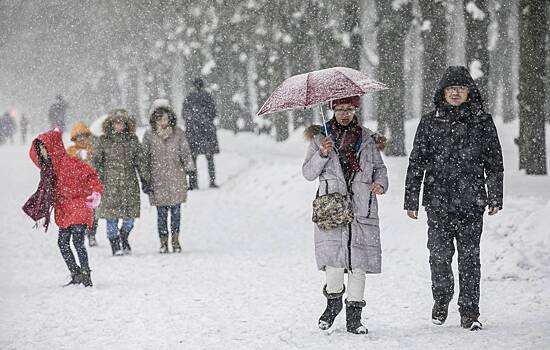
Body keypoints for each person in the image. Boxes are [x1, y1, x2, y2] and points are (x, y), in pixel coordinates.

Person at [404, 66, 504, 331]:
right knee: (439, 256)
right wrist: (411, 200)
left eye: (460, 88)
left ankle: (470, 311)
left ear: (469, 91)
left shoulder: (482, 122)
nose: (456, 93)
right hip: (438, 202)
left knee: (470, 259)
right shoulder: (430, 121)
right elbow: (417, 162)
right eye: (451, 88)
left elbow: (494, 162)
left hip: (472, 202)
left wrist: (495, 196)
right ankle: (441, 298)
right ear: (443, 93)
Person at [302, 95, 388, 334]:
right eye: (339, 109)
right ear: (332, 109)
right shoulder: (321, 137)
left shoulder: (368, 139)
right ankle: (332, 304)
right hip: (332, 208)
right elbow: (308, 173)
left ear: (355, 109)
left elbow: (380, 169)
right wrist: (321, 153)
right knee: (334, 263)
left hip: (362, 207)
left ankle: (354, 317)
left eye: (349, 108)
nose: (344, 113)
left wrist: (380, 183)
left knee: (359, 264)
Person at [22, 129, 103, 287]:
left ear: (53, 148)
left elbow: (91, 175)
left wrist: (96, 192)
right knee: (63, 243)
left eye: (45, 149)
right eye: (40, 150)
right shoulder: (49, 170)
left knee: (77, 242)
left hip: (78, 206)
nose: (43, 153)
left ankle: (86, 274)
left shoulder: (69, 163)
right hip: (65, 210)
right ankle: (76, 273)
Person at [92, 109, 148, 256]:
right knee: (111, 218)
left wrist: (145, 178)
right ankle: (115, 244)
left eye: (121, 122)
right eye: (116, 122)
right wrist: (93, 180)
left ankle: (124, 237)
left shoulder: (132, 140)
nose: (119, 125)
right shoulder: (103, 141)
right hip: (109, 184)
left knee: (130, 219)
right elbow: (96, 161)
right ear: (111, 123)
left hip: (129, 183)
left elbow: (140, 161)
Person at [143, 99, 195, 253]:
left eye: (165, 118)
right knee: (161, 214)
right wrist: (145, 179)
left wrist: (191, 171)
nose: (163, 122)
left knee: (176, 212)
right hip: (157, 180)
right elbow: (144, 158)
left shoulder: (178, 134)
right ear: (154, 119)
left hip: (176, 178)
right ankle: (163, 242)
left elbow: (185, 153)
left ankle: (176, 240)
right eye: (159, 119)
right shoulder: (149, 135)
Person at [182, 77, 220, 189]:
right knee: (210, 158)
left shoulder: (189, 98)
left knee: (193, 158)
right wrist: (205, 121)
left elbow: (184, 115)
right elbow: (213, 113)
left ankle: (193, 184)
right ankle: (212, 181)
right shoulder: (208, 97)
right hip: (206, 132)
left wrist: (193, 121)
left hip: (193, 132)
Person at [67, 121, 99, 247]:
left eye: (83, 136)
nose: (81, 139)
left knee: (93, 213)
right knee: (80, 213)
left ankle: (91, 234)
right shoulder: (71, 151)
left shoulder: (92, 149)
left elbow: (97, 166)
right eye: (78, 136)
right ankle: (81, 234)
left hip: (91, 187)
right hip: (77, 189)